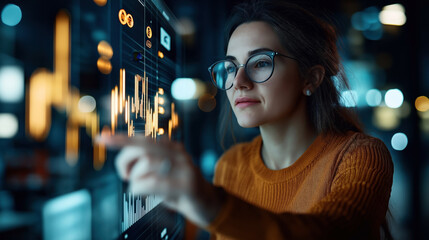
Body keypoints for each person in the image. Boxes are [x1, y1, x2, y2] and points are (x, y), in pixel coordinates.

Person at [98, 0, 394, 239]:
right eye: (230, 67)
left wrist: (214, 207)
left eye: (261, 62)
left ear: (311, 77)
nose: (238, 81)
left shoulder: (360, 156)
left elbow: (334, 231)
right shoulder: (231, 166)